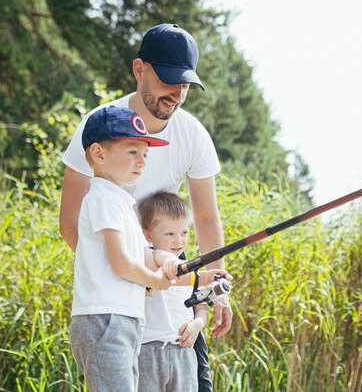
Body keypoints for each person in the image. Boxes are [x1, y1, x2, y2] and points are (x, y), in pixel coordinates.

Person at [59, 23, 232, 391]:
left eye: (184, 85)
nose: (176, 93)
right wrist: (122, 273)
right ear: (140, 69)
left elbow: (205, 217)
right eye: (168, 80)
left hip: (166, 271)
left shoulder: (192, 133)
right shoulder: (100, 125)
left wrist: (213, 289)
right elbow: (70, 221)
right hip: (118, 285)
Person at [137, 191, 220, 392]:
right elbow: (161, 270)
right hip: (148, 352)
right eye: (170, 234)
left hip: (184, 352)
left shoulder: (190, 269)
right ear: (148, 235)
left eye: (184, 233)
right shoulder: (147, 259)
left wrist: (197, 324)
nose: (179, 241)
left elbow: (200, 307)